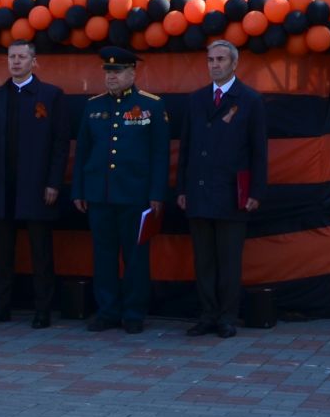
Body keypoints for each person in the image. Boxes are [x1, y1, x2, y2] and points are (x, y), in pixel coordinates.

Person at [0, 39, 72, 328]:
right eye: (11, 57)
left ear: (34, 61)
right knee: (2, 254)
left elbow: (60, 144)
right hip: (2, 188)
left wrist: (54, 182)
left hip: (38, 187)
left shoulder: (51, 95)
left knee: (40, 252)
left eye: (21, 57)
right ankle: (0, 307)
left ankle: (43, 310)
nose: (16, 62)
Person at [74, 47, 169, 335]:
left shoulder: (151, 106)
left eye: (117, 72)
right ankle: (107, 311)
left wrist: (156, 194)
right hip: (100, 194)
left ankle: (134, 312)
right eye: (108, 72)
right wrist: (79, 190)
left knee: (135, 257)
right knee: (103, 256)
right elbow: (83, 152)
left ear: (132, 73)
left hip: (135, 194)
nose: (111, 77)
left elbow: (160, 154)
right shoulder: (94, 106)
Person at [179, 40, 267, 338]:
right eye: (210, 60)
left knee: (229, 261)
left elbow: (259, 151)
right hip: (200, 190)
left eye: (220, 59)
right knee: (203, 260)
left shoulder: (250, 99)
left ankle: (227, 316)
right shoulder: (196, 99)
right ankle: (207, 314)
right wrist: (182, 188)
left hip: (232, 193)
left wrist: (256, 191)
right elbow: (187, 147)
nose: (214, 64)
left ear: (234, 64)